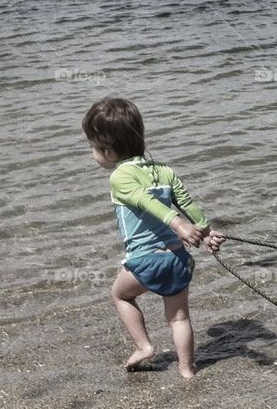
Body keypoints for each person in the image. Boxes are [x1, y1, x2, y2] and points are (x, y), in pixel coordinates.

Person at [83, 97, 225, 378]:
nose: (93, 153)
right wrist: (206, 231)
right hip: (177, 258)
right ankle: (187, 370)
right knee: (179, 317)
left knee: (120, 295)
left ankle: (144, 347)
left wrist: (179, 225)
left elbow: (145, 201)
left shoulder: (120, 177)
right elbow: (187, 201)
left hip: (145, 260)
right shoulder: (164, 170)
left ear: (107, 149)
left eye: (92, 147)